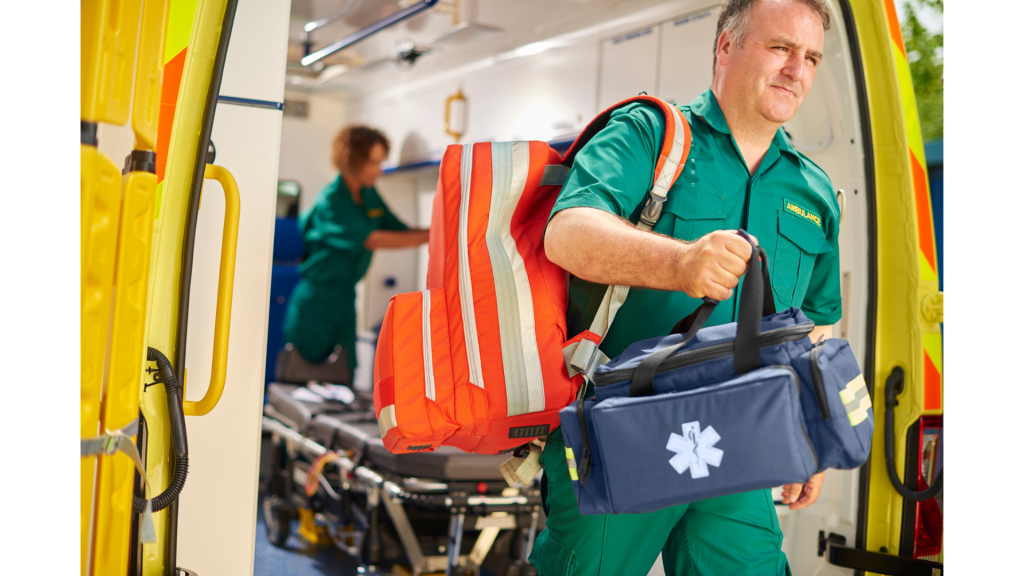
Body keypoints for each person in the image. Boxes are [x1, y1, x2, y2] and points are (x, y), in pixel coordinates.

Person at [531, 0, 841, 574]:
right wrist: (679, 263)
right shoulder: (650, 134)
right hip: (622, 430)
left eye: (811, 57)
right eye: (780, 48)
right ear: (726, 46)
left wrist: (808, 430)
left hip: (744, 445)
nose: (797, 70)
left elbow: (813, 323)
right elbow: (569, 233)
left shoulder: (814, 189)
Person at [283, 125, 429, 379]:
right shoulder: (332, 201)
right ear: (354, 161)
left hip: (345, 299)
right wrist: (432, 235)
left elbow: (401, 230)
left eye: (381, 162)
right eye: (373, 163)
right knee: (301, 374)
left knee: (342, 374)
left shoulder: (369, 195)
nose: (379, 170)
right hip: (317, 300)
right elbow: (372, 239)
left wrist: (443, 230)